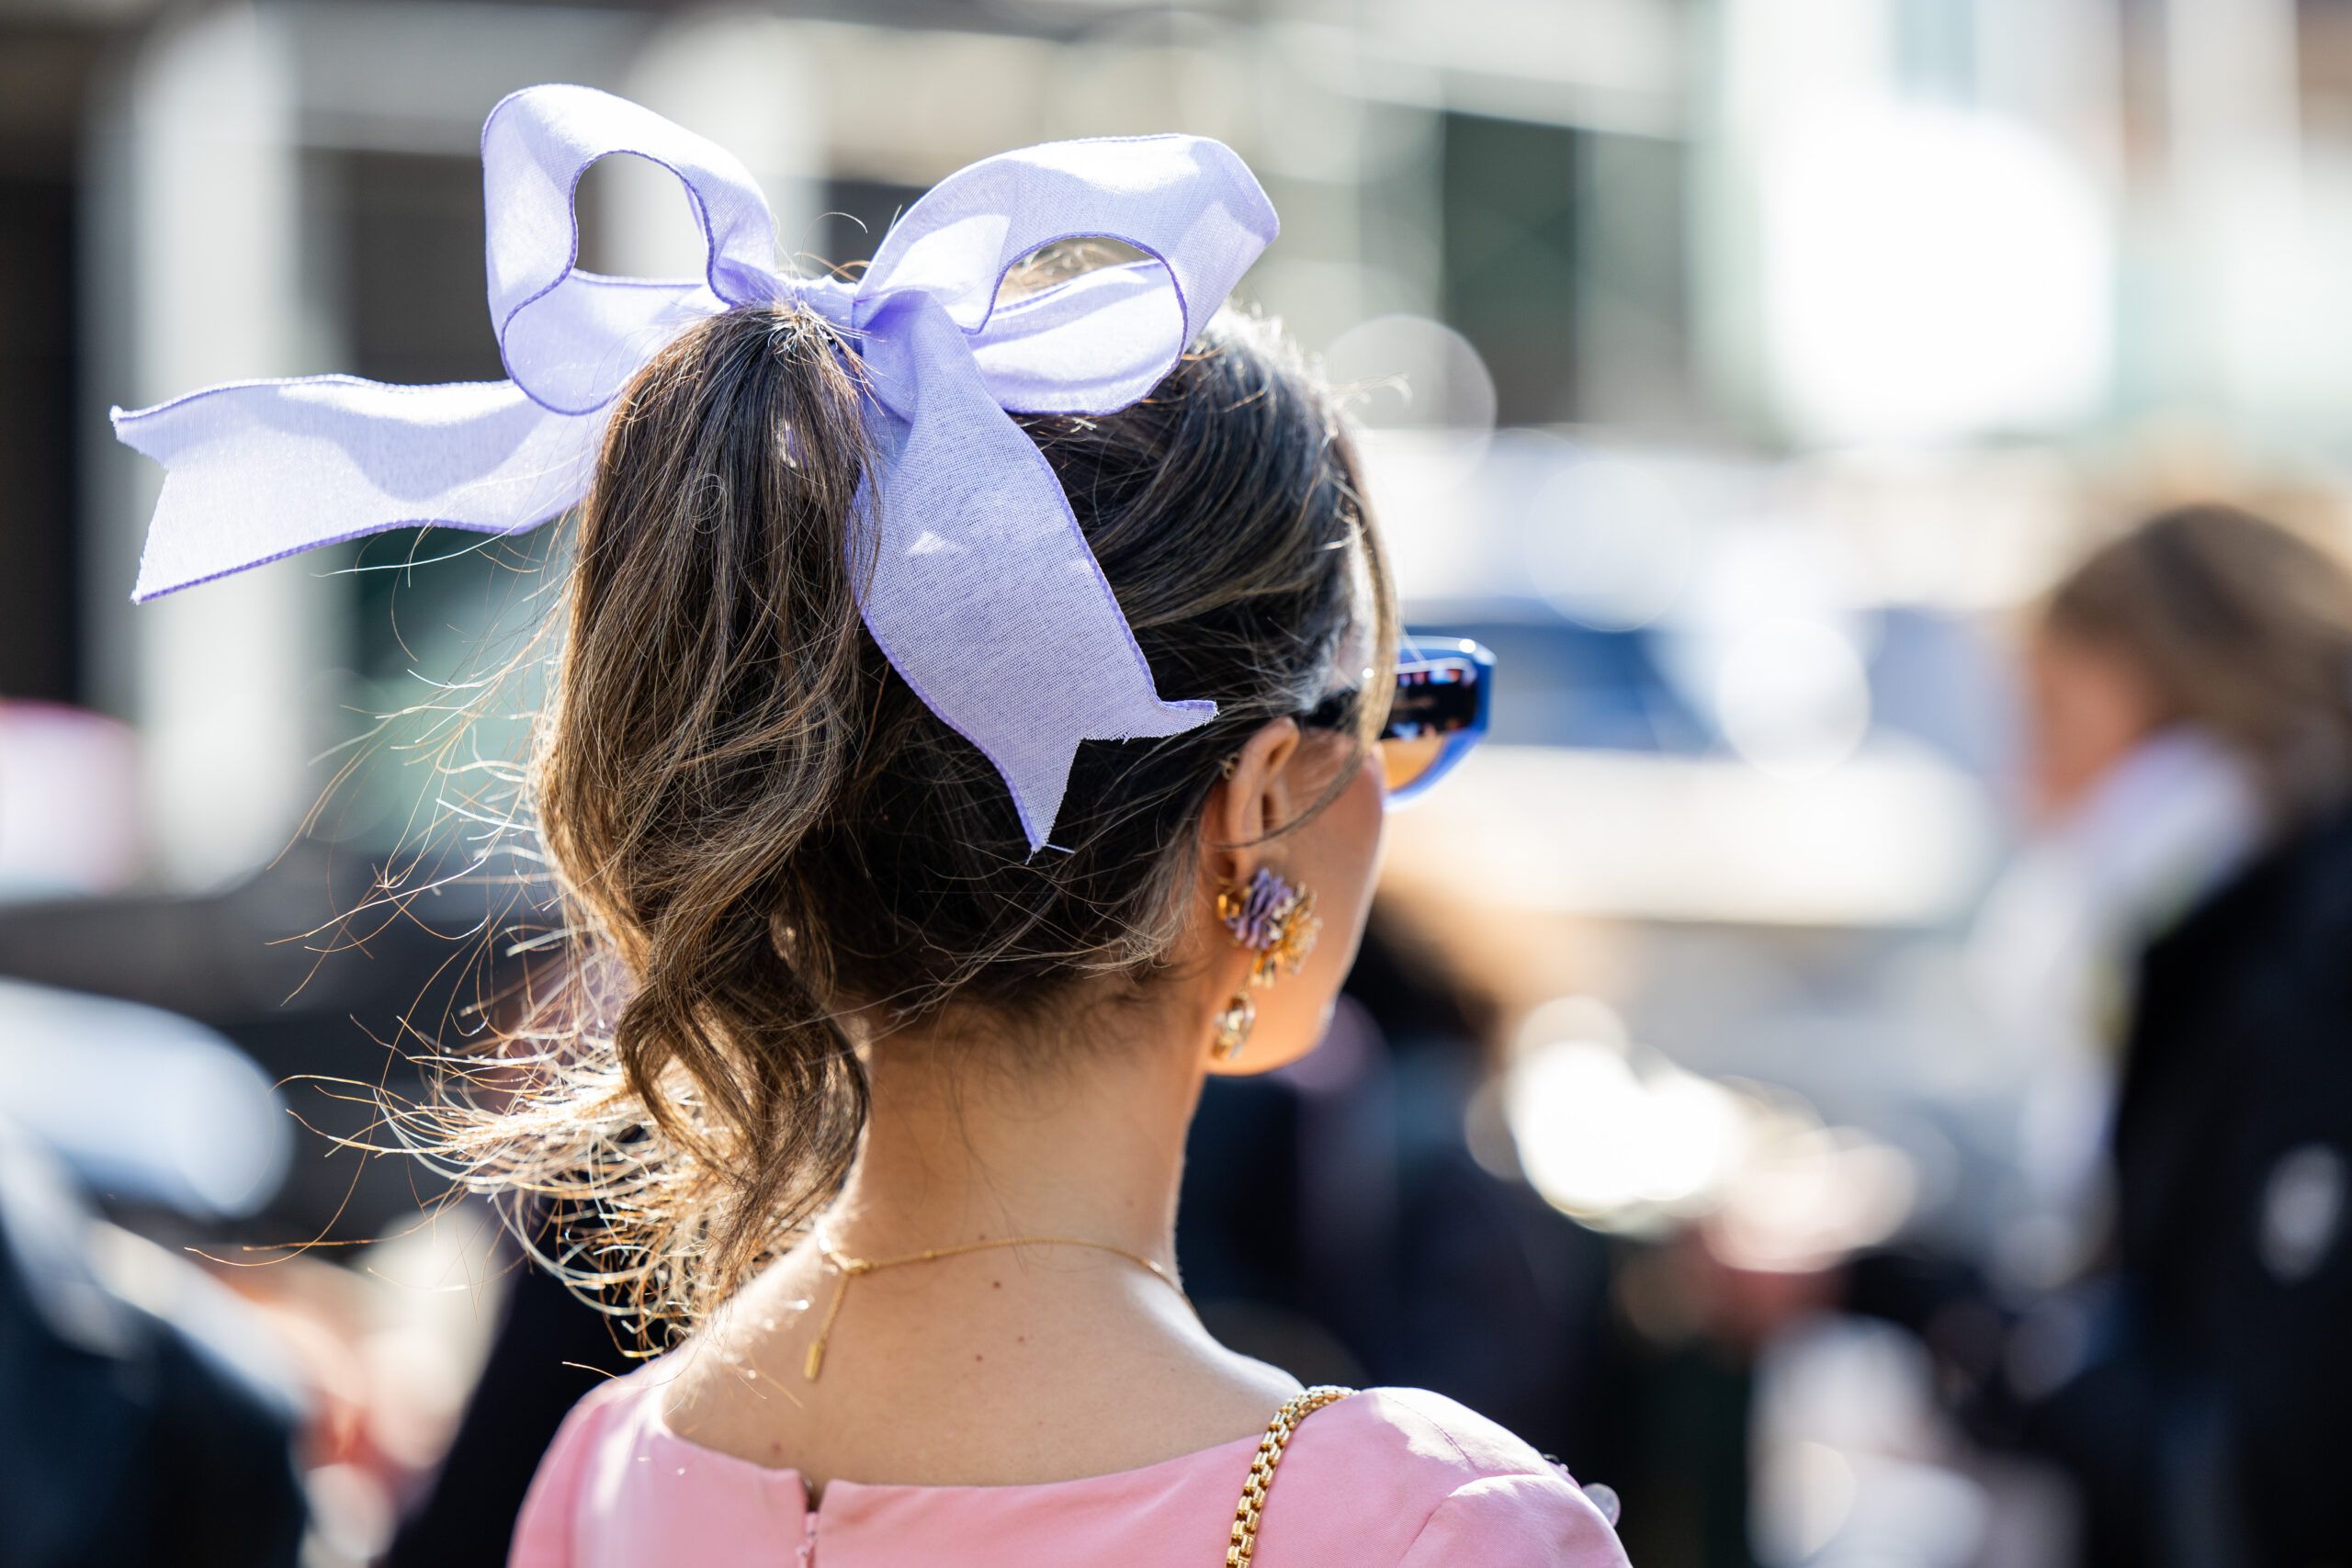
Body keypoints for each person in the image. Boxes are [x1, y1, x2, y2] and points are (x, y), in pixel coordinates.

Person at [113, 87, 1627, 1567]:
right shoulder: (1436, 1524)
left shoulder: (612, 1471)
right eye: (1390, 718)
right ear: (1262, 806)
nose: (1392, 780)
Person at [1865, 503, 2352, 1568]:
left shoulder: (2284, 967)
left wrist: (1928, 1315)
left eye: (2047, 721)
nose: (2025, 785)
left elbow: (2243, 1458)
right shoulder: (2243, 931)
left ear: (2176, 692)